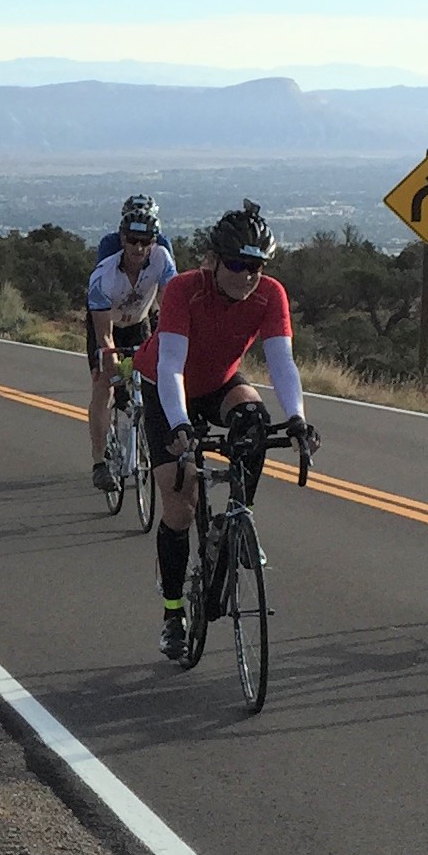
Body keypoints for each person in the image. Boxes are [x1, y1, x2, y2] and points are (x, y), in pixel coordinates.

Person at [140, 202, 318, 660]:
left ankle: (238, 518)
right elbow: (171, 365)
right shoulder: (184, 290)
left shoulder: (269, 294)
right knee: (181, 505)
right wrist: (179, 424)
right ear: (214, 261)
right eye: (237, 265)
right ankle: (173, 614)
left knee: (255, 420)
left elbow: (281, 363)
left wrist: (296, 417)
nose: (246, 276)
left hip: (219, 382)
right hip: (166, 385)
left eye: (256, 266)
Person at [85, 192, 176, 489]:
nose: (139, 247)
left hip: (140, 323)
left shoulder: (162, 254)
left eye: (146, 241)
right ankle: (99, 462)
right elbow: (103, 331)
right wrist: (109, 356)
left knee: (152, 384)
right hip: (108, 323)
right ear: (123, 237)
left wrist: (171, 341)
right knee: (105, 387)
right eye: (132, 241)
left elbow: (171, 301)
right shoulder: (105, 270)